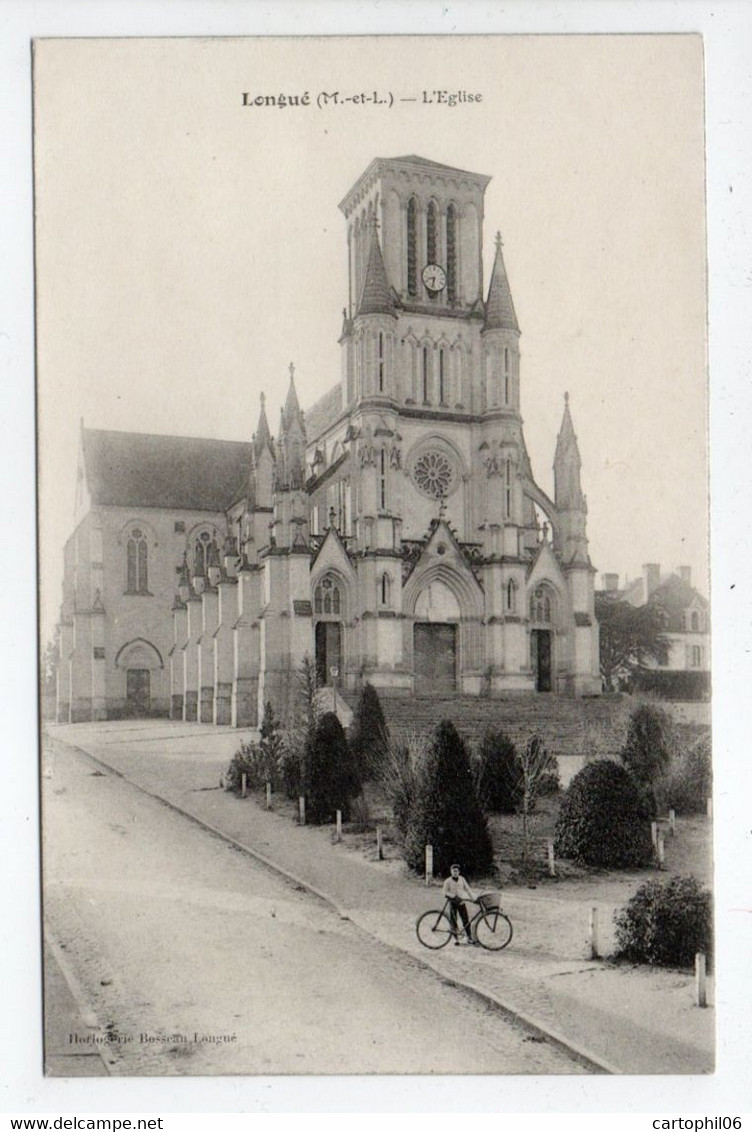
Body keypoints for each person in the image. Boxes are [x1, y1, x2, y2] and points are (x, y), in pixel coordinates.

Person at [442, 863, 477, 945]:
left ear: (459, 872)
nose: (455, 873)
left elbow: (468, 889)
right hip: (453, 902)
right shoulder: (447, 881)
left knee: (466, 920)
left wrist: (473, 898)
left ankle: (469, 938)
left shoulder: (462, 879)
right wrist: (452, 896)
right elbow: (444, 892)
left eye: (457, 871)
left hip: (461, 902)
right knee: (453, 921)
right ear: (451, 872)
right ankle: (455, 939)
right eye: (453, 871)